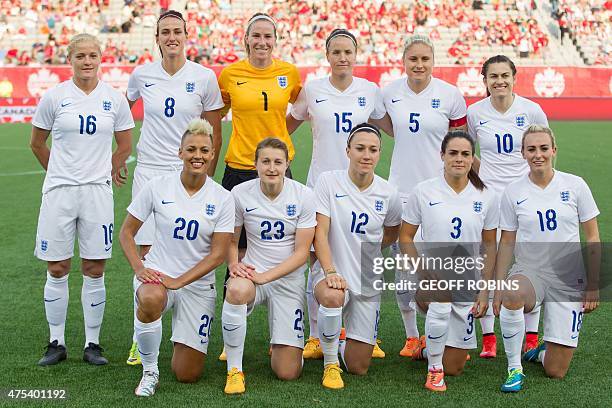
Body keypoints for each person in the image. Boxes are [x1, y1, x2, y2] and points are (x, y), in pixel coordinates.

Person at [125, 9, 224, 365]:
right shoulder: (141, 75)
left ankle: (187, 322)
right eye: (165, 31)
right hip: (150, 171)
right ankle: (143, 332)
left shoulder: (203, 77)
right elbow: (123, 113)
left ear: (186, 35)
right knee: (149, 255)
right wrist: (120, 155)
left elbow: (214, 129)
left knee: (190, 244)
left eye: (177, 31)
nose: (171, 37)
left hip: (188, 170)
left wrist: (206, 172)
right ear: (157, 37)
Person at [30, 33, 134, 366]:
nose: (87, 61)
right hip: (59, 192)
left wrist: (111, 169)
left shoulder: (113, 99)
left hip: (96, 194)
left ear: (100, 58)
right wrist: (58, 172)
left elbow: (125, 146)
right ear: (70, 59)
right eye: (80, 56)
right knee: (57, 267)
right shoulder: (55, 97)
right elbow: (37, 143)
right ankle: (56, 342)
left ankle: (93, 344)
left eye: (92, 55)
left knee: (94, 267)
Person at [286, 28, 386, 360]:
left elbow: (390, 126)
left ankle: (364, 332)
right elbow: (287, 126)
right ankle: (316, 334)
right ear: (327, 56)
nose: (342, 57)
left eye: (348, 52)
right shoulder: (313, 90)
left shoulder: (370, 91)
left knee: (363, 251)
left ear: (356, 56)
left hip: (358, 186)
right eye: (336, 52)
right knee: (318, 255)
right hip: (320, 184)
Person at [119, 119, 234, 397]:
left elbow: (218, 255)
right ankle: (149, 370)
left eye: (205, 150)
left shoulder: (223, 197)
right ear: (180, 152)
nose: (198, 156)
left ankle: (174, 336)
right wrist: (139, 268)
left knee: (187, 375)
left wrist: (179, 281)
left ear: (212, 154)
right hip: (159, 274)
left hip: (196, 285)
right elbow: (126, 232)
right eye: (191, 149)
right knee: (150, 298)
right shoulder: (158, 186)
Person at [374, 34, 468, 359]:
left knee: (441, 264)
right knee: (405, 268)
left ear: (433, 61)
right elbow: (386, 127)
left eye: (425, 59)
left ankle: (445, 333)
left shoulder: (450, 95)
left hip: (440, 192)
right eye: (413, 59)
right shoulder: (389, 93)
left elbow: (461, 141)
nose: (419, 65)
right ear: (404, 61)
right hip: (401, 190)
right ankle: (413, 336)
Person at [217, 12, 302, 360]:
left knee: (283, 245)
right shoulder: (229, 75)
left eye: (269, 36)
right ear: (246, 39)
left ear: (275, 40)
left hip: (278, 170)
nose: (262, 42)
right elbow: (216, 111)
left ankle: (282, 328)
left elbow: (297, 110)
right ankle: (230, 335)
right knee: (233, 250)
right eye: (257, 36)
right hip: (239, 168)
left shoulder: (289, 73)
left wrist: (279, 144)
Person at [493, 125, 600, 392]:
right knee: (513, 292)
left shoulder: (575, 185)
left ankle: (539, 352)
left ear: (554, 150)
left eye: (543, 148)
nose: (537, 154)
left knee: (556, 371)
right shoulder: (513, 191)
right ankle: (514, 368)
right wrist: (498, 286)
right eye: (531, 149)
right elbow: (506, 242)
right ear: (523, 153)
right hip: (531, 270)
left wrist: (593, 284)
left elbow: (593, 238)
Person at [400, 131, 498, 392]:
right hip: (429, 281)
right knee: (440, 296)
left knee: (455, 366)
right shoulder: (423, 191)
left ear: (472, 158)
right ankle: (434, 371)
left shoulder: (486, 196)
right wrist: (423, 272)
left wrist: (484, 289)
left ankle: (427, 347)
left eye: (465, 154)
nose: (459, 159)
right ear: (442, 156)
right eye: (453, 153)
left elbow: (489, 246)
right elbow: (405, 237)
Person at [467, 55, 549, 358]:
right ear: (485, 81)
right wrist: (486, 177)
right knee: (487, 263)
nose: (499, 81)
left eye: (505, 75)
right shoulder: (475, 112)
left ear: (514, 77)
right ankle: (489, 336)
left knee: (529, 261)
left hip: (525, 197)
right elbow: (468, 152)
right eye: (493, 76)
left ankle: (530, 335)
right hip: (489, 198)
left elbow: (543, 149)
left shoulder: (531, 110)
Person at [222, 138, 316, 394]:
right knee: (236, 290)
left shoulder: (304, 195)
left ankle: (281, 341)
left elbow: (301, 254)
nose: (272, 168)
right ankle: (234, 369)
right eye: (265, 162)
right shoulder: (240, 193)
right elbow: (231, 240)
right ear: (256, 164)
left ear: (287, 164)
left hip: (287, 280)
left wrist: (266, 276)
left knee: (288, 373)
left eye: (277, 162)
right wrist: (234, 265)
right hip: (253, 274)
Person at [312, 123, 402, 389]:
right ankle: (330, 363)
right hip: (331, 270)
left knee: (359, 367)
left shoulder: (389, 193)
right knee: (332, 295)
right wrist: (330, 271)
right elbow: (320, 232)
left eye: (373, 150)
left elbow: (392, 233)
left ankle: (338, 342)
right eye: (360, 148)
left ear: (379, 154)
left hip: (366, 279)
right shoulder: (328, 181)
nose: (366, 155)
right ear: (348, 150)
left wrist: (367, 253)